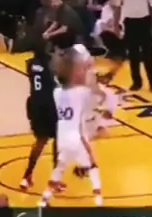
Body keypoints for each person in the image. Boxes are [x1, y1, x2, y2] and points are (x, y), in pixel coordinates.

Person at [39, 48, 102, 207]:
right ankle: (99, 202)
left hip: (62, 137)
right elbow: (96, 91)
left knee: (59, 168)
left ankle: (44, 200)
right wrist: (90, 68)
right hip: (77, 137)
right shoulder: (81, 92)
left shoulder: (57, 92)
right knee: (93, 166)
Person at [20, 39, 61, 191]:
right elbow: (57, 82)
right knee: (58, 140)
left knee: (40, 141)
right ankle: (55, 180)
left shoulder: (30, 64)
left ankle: (27, 176)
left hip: (35, 105)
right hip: (50, 104)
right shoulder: (51, 64)